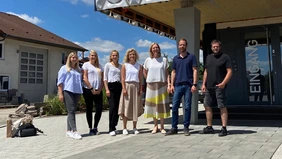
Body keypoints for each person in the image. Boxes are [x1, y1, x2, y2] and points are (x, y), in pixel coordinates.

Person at [200, 39, 233, 137]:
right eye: (214, 46)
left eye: (217, 46)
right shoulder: (208, 57)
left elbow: (230, 71)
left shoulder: (225, 57)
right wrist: (203, 84)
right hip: (209, 86)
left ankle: (224, 128)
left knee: (221, 106)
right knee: (207, 105)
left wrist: (223, 83)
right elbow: (206, 71)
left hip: (220, 86)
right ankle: (209, 127)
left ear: (220, 47)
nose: (215, 48)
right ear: (211, 48)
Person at [166, 38, 198, 136]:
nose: (181, 46)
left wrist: (194, 84)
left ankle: (186, 127)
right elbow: (173, 72)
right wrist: (171, 84)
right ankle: (174, 127)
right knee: (175, 107)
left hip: (188, 85)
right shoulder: (175, 59)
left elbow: (195, 70)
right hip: (177, 86)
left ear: (186, 46)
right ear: (178, 46)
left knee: (187, 107)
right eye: (180, 45)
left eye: (183, 45)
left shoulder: (191, 57)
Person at [143, 43, 171, 134]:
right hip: (151, 85)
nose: (155, 49)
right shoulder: (148, 60)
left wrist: (169, 83)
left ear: (159, 49)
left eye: (157, 47)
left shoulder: (164, 60)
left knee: (161, 105)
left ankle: (162, 126)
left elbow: (167, 73)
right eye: (153, 48)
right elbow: (144, 72)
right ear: (151, 49)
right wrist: (148, 79)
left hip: (162, 84)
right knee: (153, 105)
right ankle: (155, 126)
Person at [57, 52, 83, 140]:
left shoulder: (79, 70)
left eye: (75, 57)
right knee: (71, 110)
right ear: (69, 58)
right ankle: (75, 131)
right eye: (72, 57)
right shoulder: (64, 68)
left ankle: (69, 131)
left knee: (71, 111)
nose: (74, 59)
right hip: (68, 91)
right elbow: (60, 82)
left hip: (77, 92)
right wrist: (60, 93)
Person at [118, 48, 143, 135]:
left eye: (133, 54)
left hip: (136, 86)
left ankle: (135, 127)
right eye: (130, 54)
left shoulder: (139, 66)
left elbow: (140, 78)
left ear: (136, 55)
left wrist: (140, 89)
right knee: (126, 107)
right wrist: (124, 88)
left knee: (135, 107)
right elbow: (123, 78)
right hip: (127, 86)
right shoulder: (125, 65)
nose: (132, 56)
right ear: (128, 56)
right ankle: (124, 127)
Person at [82, 50, 104, 135]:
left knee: (99, 109)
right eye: (91, 55)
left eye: (94, 55)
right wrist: (91, 88)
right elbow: (84, 77)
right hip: (88, 90)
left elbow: (102, 79)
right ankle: (90, 128)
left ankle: (95, 127)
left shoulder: (100, 66)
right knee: (89, 109)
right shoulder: (86, 65)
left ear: (96, 57)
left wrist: (99, 89)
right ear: (89, 56)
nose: (93, 57)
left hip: (98, 91)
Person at [104, 50, 122, 136]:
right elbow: (105, 78)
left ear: (118, 57)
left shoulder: (121, 66)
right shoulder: (108, 65)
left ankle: (114, 126)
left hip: (119, 87)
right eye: (113, 55)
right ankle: (110, 128)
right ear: (111, 56)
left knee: (118, 108)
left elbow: (122, 78)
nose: (115, 57)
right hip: (111, 87)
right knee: (112, 107)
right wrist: (107, 89)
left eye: (116, 55)